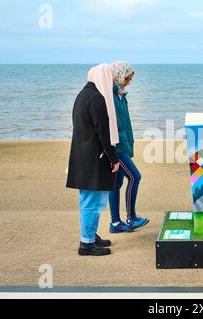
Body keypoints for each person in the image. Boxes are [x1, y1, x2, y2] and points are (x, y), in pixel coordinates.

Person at [66, 64, 121, 256]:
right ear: (104, 77)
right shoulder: (97, 98)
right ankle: (86, 244)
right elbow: (103, 132)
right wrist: (113, 158)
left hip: (83, 156)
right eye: (112, 79)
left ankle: (90, 234)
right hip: (94, 159)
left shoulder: (83, 95)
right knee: (92, 201)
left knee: (89, 200)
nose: (113, 82)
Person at [108, 61, 149, 233]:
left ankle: (115, 223)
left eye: (130, 79)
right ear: (118, 75)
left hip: (123, 143)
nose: (129, 82)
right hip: (116, 147)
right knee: (134, 177)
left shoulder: (121, 96)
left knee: (116, 183)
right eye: (127, 78)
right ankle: (130, 218)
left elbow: (125, 123)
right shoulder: (109, 95)